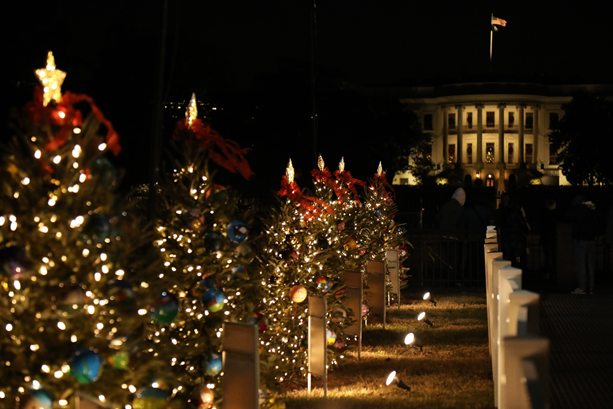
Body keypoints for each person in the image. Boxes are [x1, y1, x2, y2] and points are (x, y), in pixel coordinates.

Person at [566, 195, 600, 294]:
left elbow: (567, 216)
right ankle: (590, 287)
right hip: (591, 238)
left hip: (580, 238)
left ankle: (583, 287)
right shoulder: (592, 209)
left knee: (581, 263)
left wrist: (572, 206)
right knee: (589, 263)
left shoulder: (579, 209)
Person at [496, 192, 530, 271]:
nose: (504, 201)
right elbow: (523, 224)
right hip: (516, 238)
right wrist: (527, 233)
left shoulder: (500, 212)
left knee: (508, 257)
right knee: (519, 258)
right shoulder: (516, 211)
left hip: (507, 238)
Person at [539, 199, 558, 282]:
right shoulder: (556, 215)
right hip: (554, 238)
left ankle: (547, 273)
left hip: (546, 238)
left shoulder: (543, 215)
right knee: (554, 256)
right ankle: (554, 273)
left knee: (548, 256)